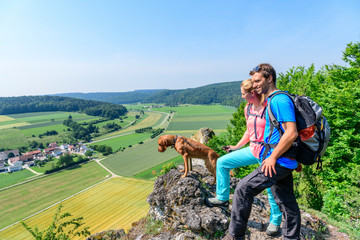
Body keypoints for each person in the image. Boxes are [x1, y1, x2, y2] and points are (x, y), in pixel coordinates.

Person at [223, 63, 301, 240]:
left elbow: (291, 132)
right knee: (286, 202)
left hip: (278, 160)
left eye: (258, 81)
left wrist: (273, 157)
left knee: (243, 188)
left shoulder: (279, 100)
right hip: (283, 159)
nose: (255, 85)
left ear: (270, 78)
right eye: (253, 81)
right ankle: (292, 237)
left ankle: (235, 236)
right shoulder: (272, 100)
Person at [205, 79, 282, 236]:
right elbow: (249, 131)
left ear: (252, 93)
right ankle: (222, 197)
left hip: (268, 152)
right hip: (253, 149)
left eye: (243, 94)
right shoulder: (248, 109)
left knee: (270, 186)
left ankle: (275, 220)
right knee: (222, 163)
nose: (242, 97)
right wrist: (236, 147)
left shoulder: (269, 107)